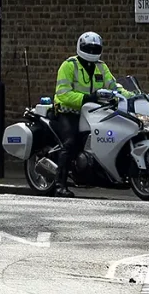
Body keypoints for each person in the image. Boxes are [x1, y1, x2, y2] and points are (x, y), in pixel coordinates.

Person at [51, 31, 130, 197]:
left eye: (96, 48)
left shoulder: (101, 66)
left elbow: (114, 87)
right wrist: (87, 98)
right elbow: (63, 94)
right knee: (71, 143)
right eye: (89, 48)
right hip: (68, 111)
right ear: (80, 47)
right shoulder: (69, 65)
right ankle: (60, 184)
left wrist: (131, 95)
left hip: (93, 111)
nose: (92, 51)